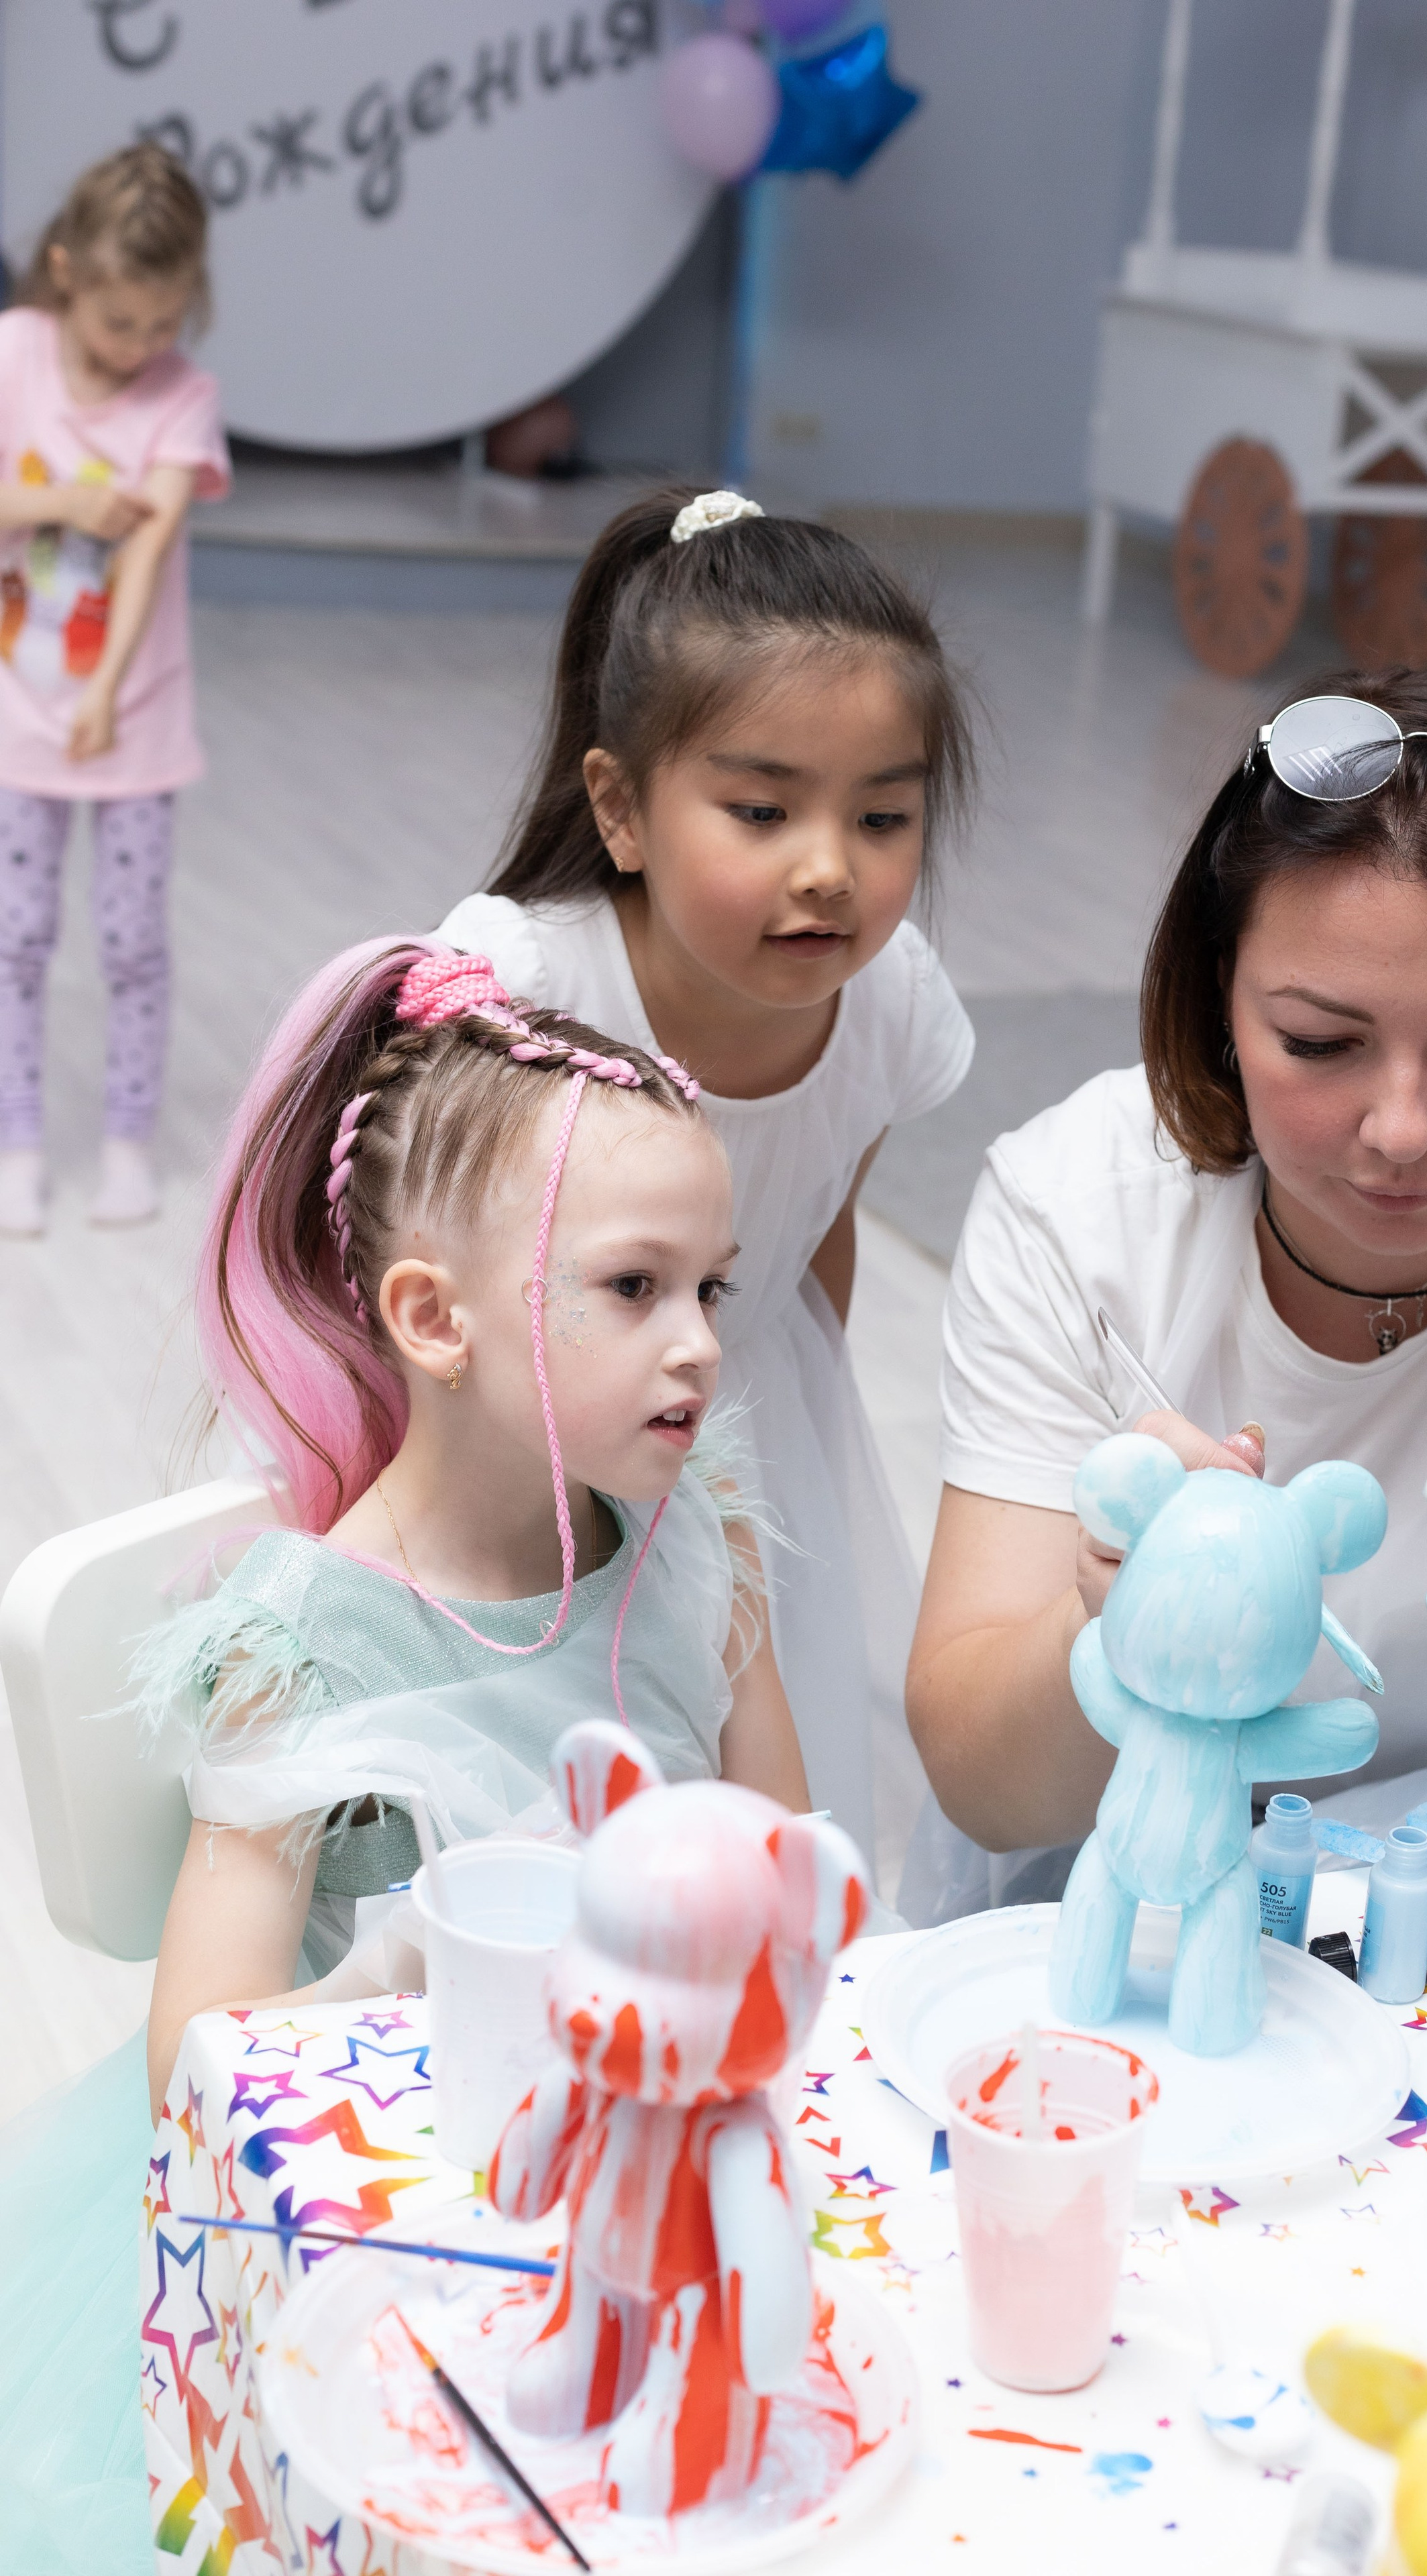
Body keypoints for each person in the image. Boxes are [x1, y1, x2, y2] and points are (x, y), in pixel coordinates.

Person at [0, 939, 805, 2573]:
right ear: (435, 1319)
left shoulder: (692, 1541)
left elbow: (780, 1850)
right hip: (383, 2219)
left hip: (652, 2172)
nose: (699, 1344)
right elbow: (196, 2059)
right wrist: (396, 1968)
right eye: (634, 1288)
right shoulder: (301, 1642)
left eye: (709, 1289)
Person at [907, 668, 1427, 1912]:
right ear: (1219, 999)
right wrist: (1121, 1623)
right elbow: (983, 1781)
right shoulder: (1077, 1211)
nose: (1403, 1129)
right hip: (1128, 1902)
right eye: (1322, 1043)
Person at [438, 485, 976, 1888]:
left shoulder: (888, 1003)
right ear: (620, 807)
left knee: (752, 1822)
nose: (830, 870)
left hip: (748, 1421)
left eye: (883, 816)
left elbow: (814, 1244)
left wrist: (798, 1442)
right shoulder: (525, 985)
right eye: (762, 810)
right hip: (524, 1438)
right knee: (540, 1808)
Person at [0, 142, 229, 1236]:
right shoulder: (15, 352)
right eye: (118, 323)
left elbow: (146, 554)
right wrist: (58, 507)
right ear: (67, 273)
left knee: (132, 939)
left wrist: (101, 694)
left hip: (130, 719)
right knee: (16, 937)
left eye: (164, 323)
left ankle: (129, 1142)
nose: (141, 347)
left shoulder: (185, 397)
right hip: (16, 716)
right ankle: (18, 1142)